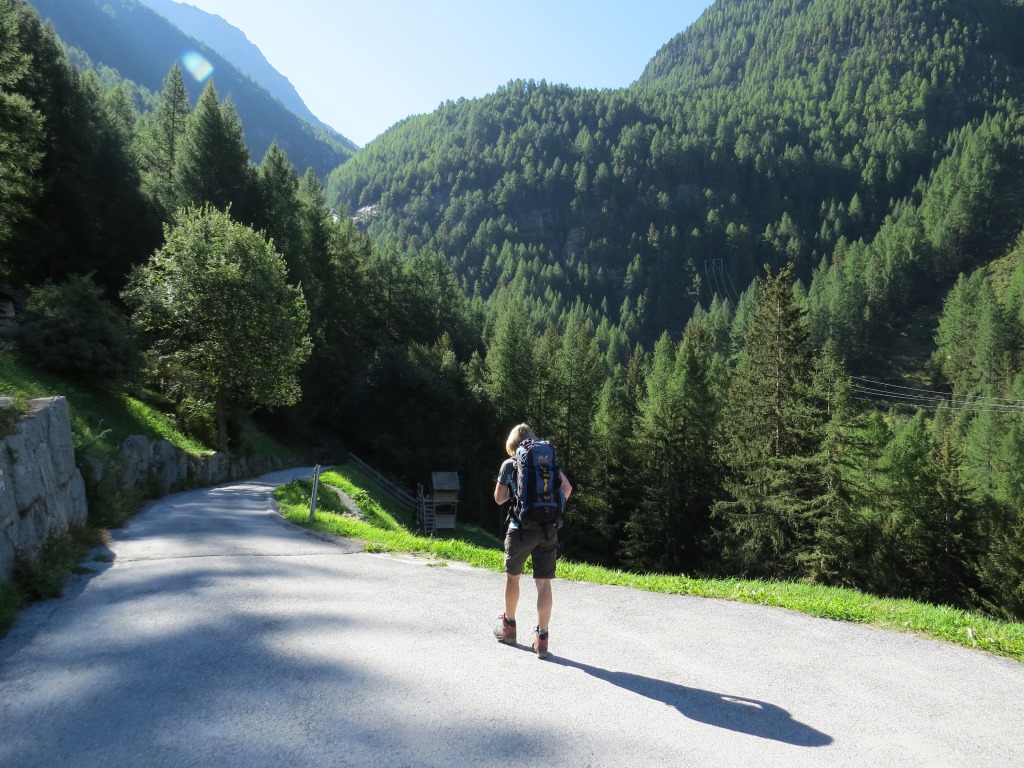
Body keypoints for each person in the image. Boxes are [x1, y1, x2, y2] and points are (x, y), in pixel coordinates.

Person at [492, 423, 572, 659]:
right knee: (544, 584)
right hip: (548, 529)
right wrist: (551, 509)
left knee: (513, 577)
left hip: (521, 529)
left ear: (512, 444)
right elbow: (567, 489)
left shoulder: (509, 464)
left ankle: (509, 627)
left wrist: (517, 496)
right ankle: (542, 638)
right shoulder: (547, 462)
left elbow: (499, 498)